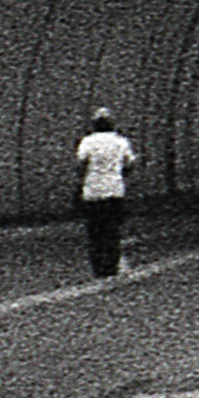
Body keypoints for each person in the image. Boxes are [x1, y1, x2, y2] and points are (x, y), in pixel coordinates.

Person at [73, 107, 136, 277]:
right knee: (113, 230)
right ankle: (112, 266)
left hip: (92, 191)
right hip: (114, 189)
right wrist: (120, 175)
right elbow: (129, 163)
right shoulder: (121, 141)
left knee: (95, 232)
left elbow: (80, 164)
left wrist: (81, 182)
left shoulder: (87, 142)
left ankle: (98, 268)